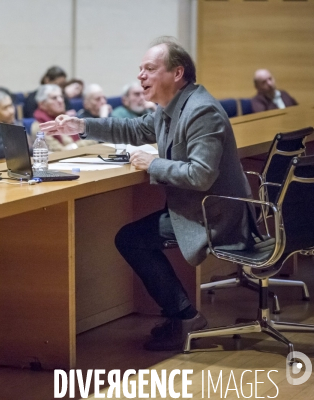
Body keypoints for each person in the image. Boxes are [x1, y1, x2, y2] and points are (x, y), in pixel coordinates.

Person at [40, 36, 254, 351]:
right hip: (199, 205)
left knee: (132, 239)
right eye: (140, 69)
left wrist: (154, 164)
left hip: (215, 212)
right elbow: (135, 130)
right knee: (134, 237)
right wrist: (81, 125)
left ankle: (184, 317)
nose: (141, 75)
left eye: (150, 69)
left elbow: (201, 175)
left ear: (177, 73)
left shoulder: (200, 111)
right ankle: (181, 315)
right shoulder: (172, 107)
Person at [32, 84, 95, 152]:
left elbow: (93, 139)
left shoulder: (68, 119)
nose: (60, 100)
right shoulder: (40, 126)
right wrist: (77, 146)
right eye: (54, 98)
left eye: (61, 96)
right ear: (42, 104)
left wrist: (73, 146)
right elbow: (61, 152)